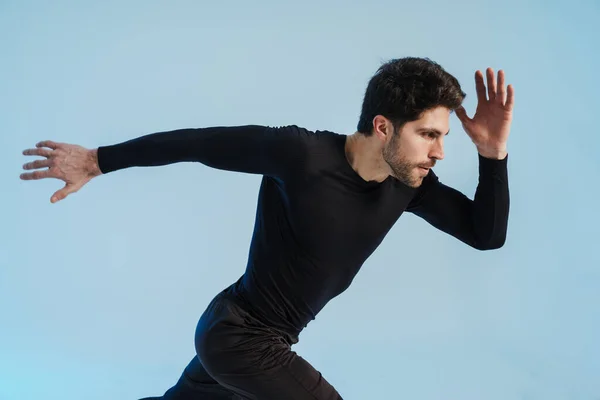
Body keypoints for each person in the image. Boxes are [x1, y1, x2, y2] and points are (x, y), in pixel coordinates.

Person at [20, 57, 514, 400]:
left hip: (253, 337)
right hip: (241, 337)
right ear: (383, 126)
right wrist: (97, 160)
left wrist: (493, 154)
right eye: (428, 135)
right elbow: (199, 143)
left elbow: (485, 234)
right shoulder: (300, 155)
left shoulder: (411, 184)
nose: (440, 152)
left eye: (443, 137)